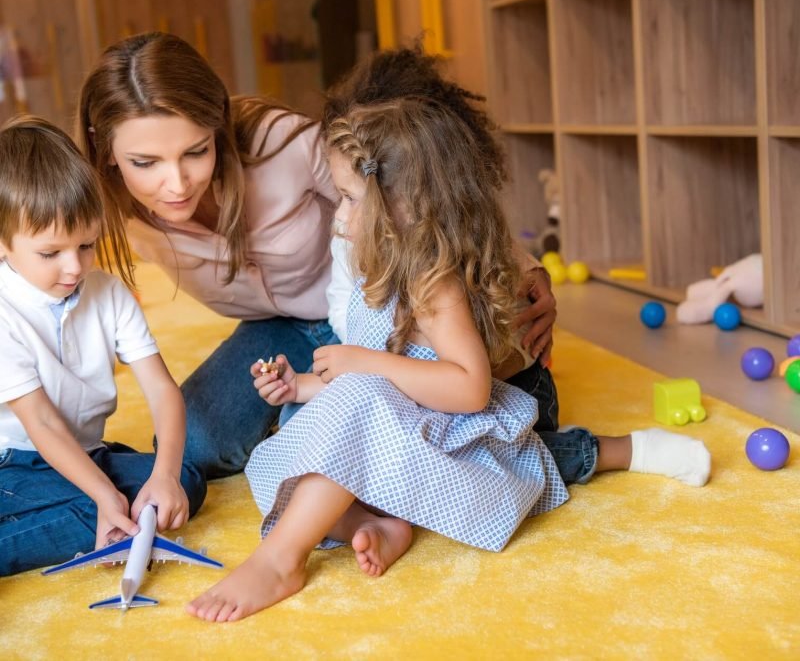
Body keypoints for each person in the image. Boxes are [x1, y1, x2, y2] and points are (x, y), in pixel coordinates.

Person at [186, 97, 711, 623]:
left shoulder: (433, 284)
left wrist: (364, 364)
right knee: (297, 464)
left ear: (403, 207)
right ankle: (385, 525)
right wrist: (299, 387)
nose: (338, 214)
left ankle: (281, 559)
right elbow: (365, 391)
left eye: (347, 198)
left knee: (538, 467)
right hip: (401, 421)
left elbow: (469, 389)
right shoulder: (378, 265)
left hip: (456, 429)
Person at [77, 32, 557, 479]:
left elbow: (413, 198)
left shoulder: (283, 146)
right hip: (279, 327)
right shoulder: (98, 209)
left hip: (380, 314)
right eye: (145, 163)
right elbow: (26, 264)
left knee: (387, 427)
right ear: (107, 150)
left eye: (195, 152)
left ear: (218, 124)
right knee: (188, 446)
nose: (177, 184)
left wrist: (523, 267)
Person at [0, 116, 205, 576]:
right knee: (95, 512)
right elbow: (43, 423)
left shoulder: (107, 293)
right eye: (51, 253)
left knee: (187, 480)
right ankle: (97, 508)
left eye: (87, 244)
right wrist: (106, 497)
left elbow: (161, 389)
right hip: (12, 465)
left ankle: (102, 504)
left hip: (83, 454)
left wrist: (166, 475)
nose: (75, 267)